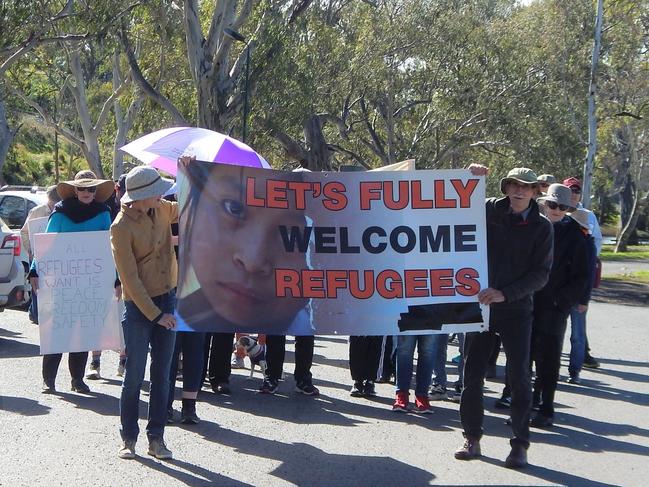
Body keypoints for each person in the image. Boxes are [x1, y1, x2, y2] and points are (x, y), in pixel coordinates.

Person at [455, 166, 553, 469]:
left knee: (519, 378)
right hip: (480, 307)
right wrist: (470, 178)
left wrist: (506, 293)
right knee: (471, 377)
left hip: (516, 309)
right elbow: (452, 208)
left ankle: (520, 444)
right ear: (506, 187)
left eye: (526, 186)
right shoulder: (487, 211)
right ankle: (471, 437)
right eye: (513, 185)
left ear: (536, 191)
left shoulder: (543, 226)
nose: (519, 191)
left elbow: (541, 274)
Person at [175, 159, 313, 336]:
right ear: (193, 207)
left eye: (294, 234)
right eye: (234, 208)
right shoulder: (171, 326)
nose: (252, 261)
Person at [111, 166, 178, 460]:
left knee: (162, 376)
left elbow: (191, 204)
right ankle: (128, 438)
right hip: (139, 308)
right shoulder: (120, 226)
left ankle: (157, 439)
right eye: (158, 190)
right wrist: (156, 315)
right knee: (134, 377)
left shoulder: (162, 209)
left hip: (168, 298)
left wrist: (191, 172)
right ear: (144, 195)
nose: (163, 194)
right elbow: (129, 280)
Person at [28, 171, 114, 394]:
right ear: (75, 190)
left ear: (96, 191)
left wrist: (115, 277)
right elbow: (45, 246)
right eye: (83, 189)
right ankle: (49, 380)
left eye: (91, 189)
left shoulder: (104, 213)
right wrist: (35, 270)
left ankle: (77, 379)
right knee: (57, 331)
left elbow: (109, 248)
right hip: (60, 282)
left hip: (90, 283)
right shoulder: (60, 213)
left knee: (83, 331)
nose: (87, 193)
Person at [530, 184, 590, 428]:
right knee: (524, 355)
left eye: (563, 207)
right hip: (527, 300)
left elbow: (583, 275)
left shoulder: (577, 234)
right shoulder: (531, 226)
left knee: (549, 357)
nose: (556, 210)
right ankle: (524, 402)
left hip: (555, 306)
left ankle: (547, 407)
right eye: (553, 205)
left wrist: (562, 300)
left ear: (569, 209)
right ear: (544, 203)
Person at [87, 173, 129, 379]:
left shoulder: (141, 210)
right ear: (116, 189)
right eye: (124, 189)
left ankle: (124, 361)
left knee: (124, 318)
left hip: (126, 272)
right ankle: (95, 362)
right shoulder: (104, 209)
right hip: (101, 271)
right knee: (99, 317)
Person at [563, 177, 602, 370]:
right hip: (558, 284)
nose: (574, 194)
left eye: (577, 191)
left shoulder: (588, 216)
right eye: (570, 190)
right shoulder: (555, 210)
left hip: (578, 282)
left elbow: (596, 243)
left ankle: (577, 365)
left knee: (578, 329)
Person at [20, 185, 60, 324]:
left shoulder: (63, 212)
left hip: (56, 257)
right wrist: (30, 250)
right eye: (51, 202)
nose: (53, 205)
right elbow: (24, 232)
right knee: (38, 286)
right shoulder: (36, 211)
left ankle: (37, 312)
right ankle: (37, 315)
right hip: (38, 255)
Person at [566, 209, 597, 384]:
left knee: (577, 336)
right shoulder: (567, 240)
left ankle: (575, 370)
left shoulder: (588, 244)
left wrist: (584, 300)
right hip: (563, 294)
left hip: (579, 298)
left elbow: (589, 275)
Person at [393, 335, 435, 413]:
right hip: (407, 323)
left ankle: (422, 396)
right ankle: (401, 394)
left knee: (428, 351)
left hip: (432, 324)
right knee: (404, 350)